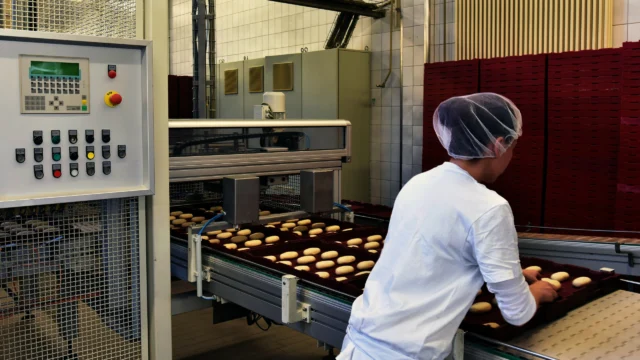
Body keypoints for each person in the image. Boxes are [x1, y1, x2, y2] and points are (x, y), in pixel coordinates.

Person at [337, 93, 558, 360]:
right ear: (498, 145)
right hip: (406, 353)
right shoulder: (490, 207)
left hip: (361, 339)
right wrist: (535, 293)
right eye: (513, 147)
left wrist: (510, 273)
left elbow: (437, 252)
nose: (512, 156)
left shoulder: (418, 183)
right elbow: (517, 312)